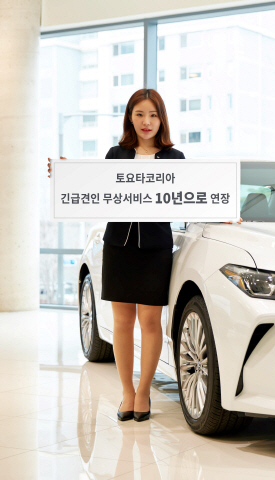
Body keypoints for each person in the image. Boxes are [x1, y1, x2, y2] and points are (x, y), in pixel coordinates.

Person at [47, 88, 241, 422]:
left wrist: (220, 211)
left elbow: (188, 197)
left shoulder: (174, 158)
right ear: (130, 118)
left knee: (150, 323)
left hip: (155, 250)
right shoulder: (116, 154)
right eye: (139, 114)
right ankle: (127, 393)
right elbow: (96, 189)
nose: (146, 121)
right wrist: (66, 177)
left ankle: (143, 393)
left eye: (153, 115)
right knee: (122, 323)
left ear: (161, 119)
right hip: (118, 248)